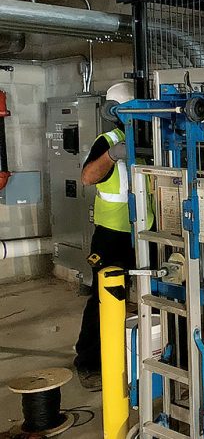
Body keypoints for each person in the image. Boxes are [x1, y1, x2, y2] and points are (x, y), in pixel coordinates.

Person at [74, 81, 153, 390]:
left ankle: (153, 351)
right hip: (112, 235)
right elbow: (87, 176)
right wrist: (112, 155)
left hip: (145, 233)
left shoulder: (148, 137)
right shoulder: (108, 140)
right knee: (103, 299)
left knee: (155, 293)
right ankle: (88, 361)